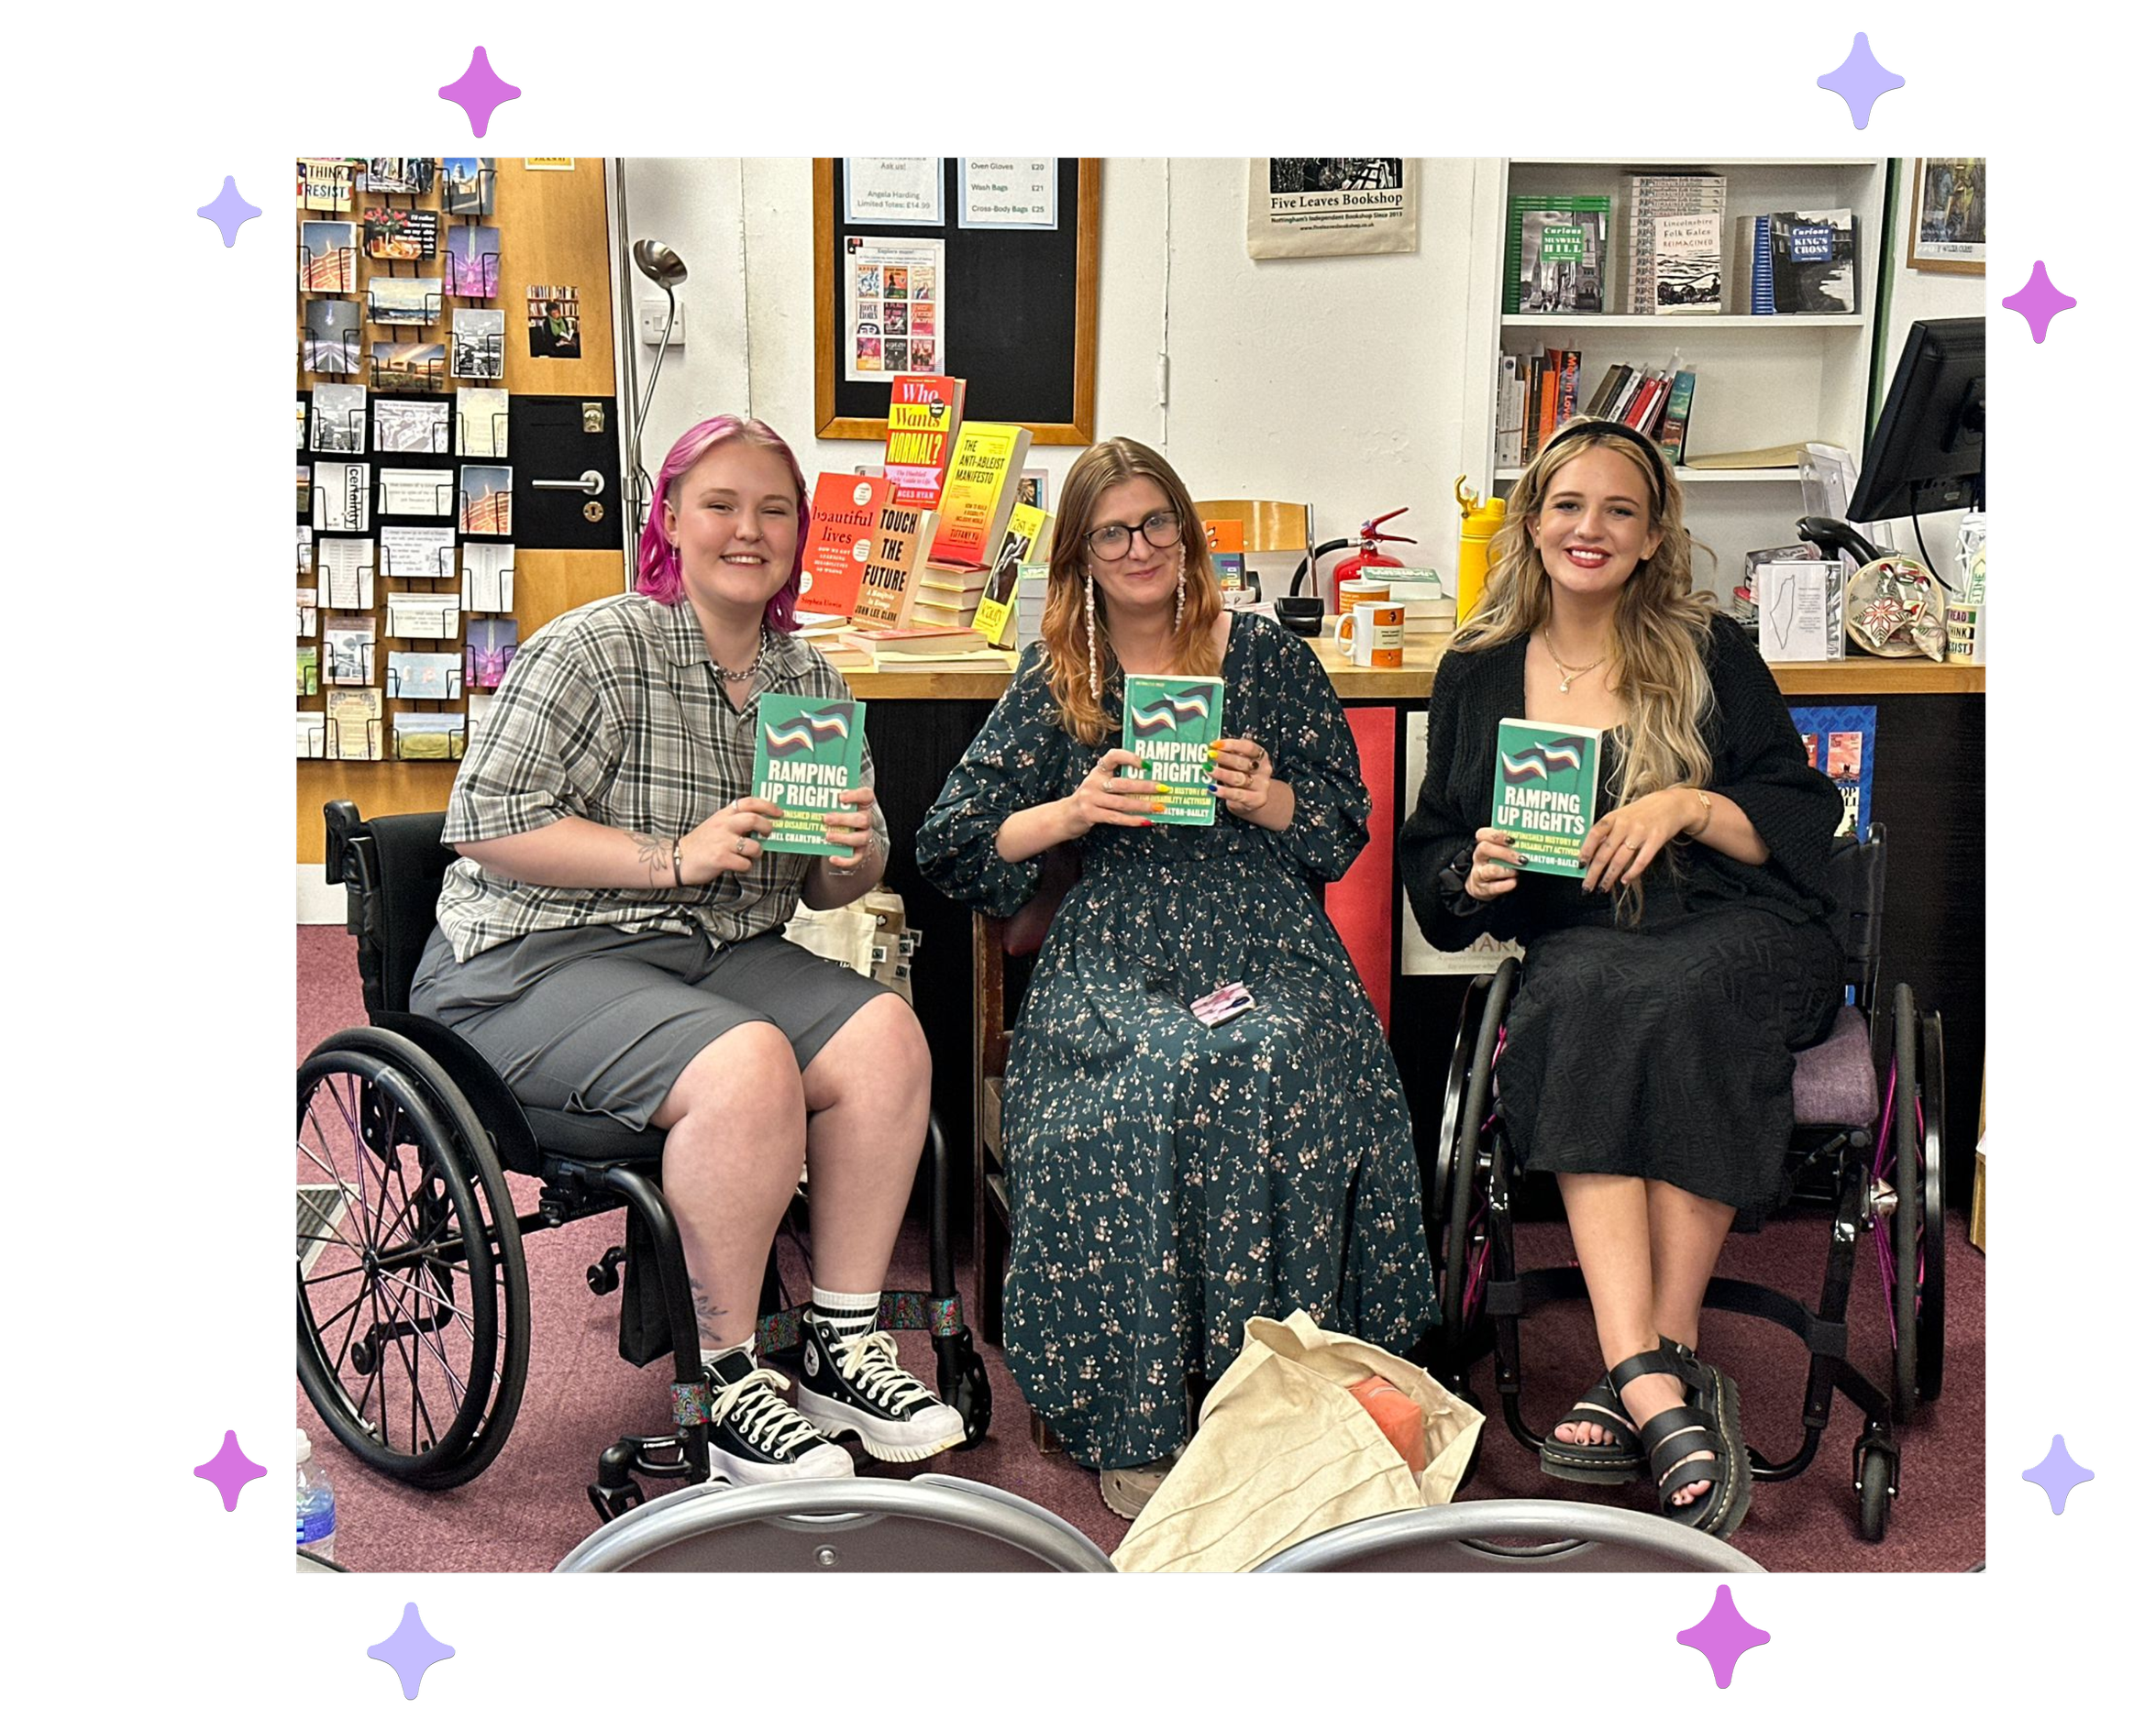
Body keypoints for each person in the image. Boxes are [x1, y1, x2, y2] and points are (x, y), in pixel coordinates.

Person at [408, 414, 965, 1488]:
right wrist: (670, 856)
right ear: (669, 519)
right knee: (747, 1059)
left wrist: (853, 849)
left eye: (774, 510)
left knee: (887, 1037)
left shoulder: (811, 680)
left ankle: (841, 1346)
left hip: (712, 955)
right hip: (531, 962)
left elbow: (828, 883)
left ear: (803, 535)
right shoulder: (595, 647)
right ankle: (726, 1378)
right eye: (721, 504)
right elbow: (484, 820)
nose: (747, 530)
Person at [917, 437, 1437, 1519]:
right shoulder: (1060, 676)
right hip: (1117, 938)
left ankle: (1302, 1399)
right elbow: (951, 841)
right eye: (1113, 531)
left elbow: (1341, 832)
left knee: (1287, 1056)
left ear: (1188, 537)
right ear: (1082, 557)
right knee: (1155, 1071)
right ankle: (1144, 1408)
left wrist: (1269, 800)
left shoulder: (1262, 659)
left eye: (1157, 523)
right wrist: (1074, 811)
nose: (1140, 545)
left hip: (1260, 928)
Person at [1398, 417, 1844, 1540]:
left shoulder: (1709, 648)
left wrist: (1684, 802)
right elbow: (1435, 849)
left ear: (1652, 538)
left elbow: (1802, 816)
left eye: (1617, 511)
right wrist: (1476, 867)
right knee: (1588, 992)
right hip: (1586, 937)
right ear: (1532, 522)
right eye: (1566, 506)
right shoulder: (1479, 668)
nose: (1588, 529)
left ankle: (1641, 1369)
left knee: (1674, 996)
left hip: (1739, 926)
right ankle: (1659, 1380)